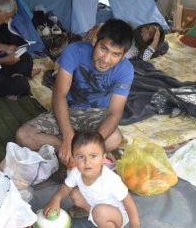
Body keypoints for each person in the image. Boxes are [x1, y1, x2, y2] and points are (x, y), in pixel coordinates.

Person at [15, 18, 134, 167]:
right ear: (95, 40)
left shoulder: (126, 70)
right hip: (68, 109)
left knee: (114, 139)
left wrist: (93, 142)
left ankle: (75, 149)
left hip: (97, 113)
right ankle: (86, 150)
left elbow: (115, 113)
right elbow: (59, 94)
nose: (106, 59)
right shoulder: (74, 51)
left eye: (115, 54)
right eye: (103, 49)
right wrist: (68, 135)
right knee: (24, 136)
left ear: (124, 55)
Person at [43, 131, 141, 228]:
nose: (87, 162)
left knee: (100, 212)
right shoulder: (76, 171)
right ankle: (90, 213)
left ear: (103, 158)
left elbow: (128, 201)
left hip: (116, 215)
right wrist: (56, 199)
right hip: (94, 207)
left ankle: (102, 221)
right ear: (74, 158)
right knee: (74, 193)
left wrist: (134, 225)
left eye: (93, 156)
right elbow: (66, 187)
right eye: (81, 157)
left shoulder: (110, 179)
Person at [84, 22, 168, 62]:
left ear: (150, 41)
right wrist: (100, 25)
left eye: (150, 34)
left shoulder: (138, 49)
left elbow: (145, 58)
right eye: (147, 27)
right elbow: (112, 26)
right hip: (95, 43)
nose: (145, 31)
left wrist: (156, 39)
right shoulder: (130, 29)